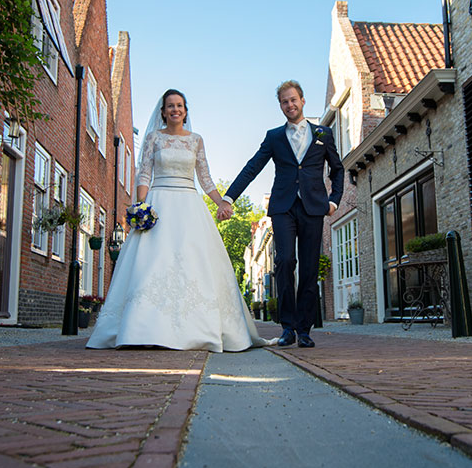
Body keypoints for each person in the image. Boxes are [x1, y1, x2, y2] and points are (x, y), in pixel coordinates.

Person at [86, 89, 267, 352]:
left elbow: (204, 177)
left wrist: (221, 203)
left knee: (194, 261)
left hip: (189, 205)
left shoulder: (196, 140)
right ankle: (142, 328)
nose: (175, 110)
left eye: (180, 106)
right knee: (151, 263)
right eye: (170, 106)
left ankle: (196, 328)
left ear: (185, 110)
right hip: (159, 204)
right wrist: (141, 206)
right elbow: (145, 173)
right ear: (163, 111)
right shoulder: (153, 138)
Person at [218, 81, 344, 348]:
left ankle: (305, 329)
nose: (290, 105)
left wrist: (334, 200)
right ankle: (288, 327)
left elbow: (338, 169)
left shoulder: (323, 133)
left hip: (313, 207)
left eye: (293, 100)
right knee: (285, 261)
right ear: (281, 106)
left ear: (303, 100)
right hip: (283, 207)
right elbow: (252, 167)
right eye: (284, 102)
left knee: (309, 268)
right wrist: (229, 198)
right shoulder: (274, 136)